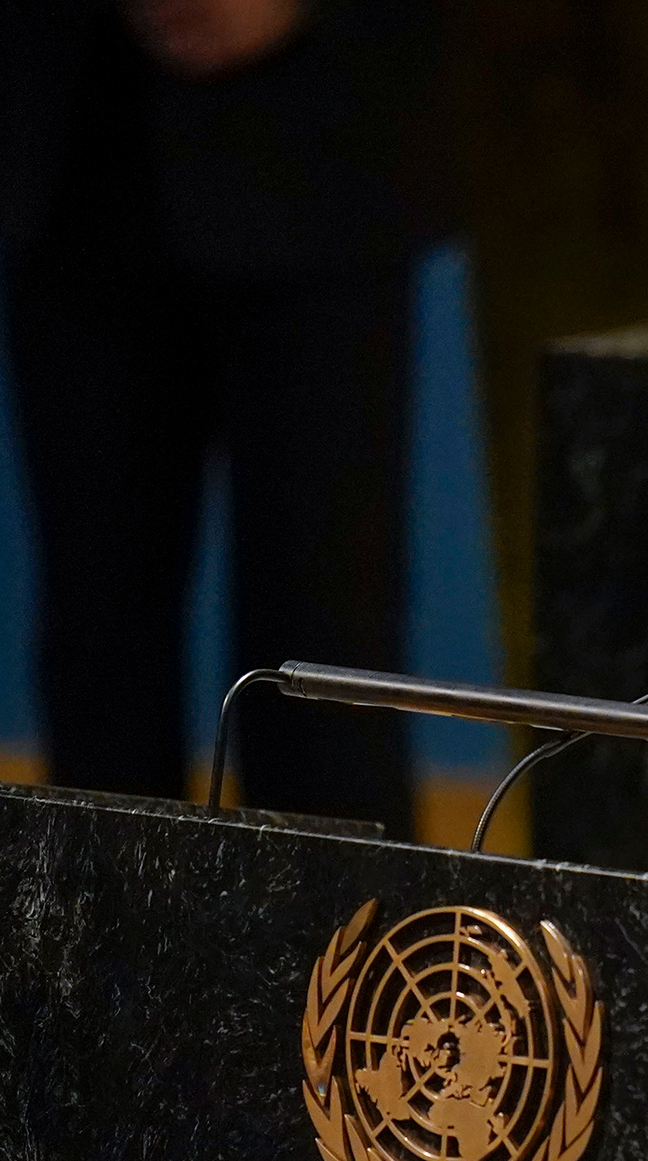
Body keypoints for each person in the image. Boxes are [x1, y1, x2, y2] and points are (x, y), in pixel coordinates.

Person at [0, 0, 452, 836]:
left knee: (325, 661)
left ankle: (338, 959)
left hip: (323, 140)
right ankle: (102, 960)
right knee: (95, 652)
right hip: (71, 140)